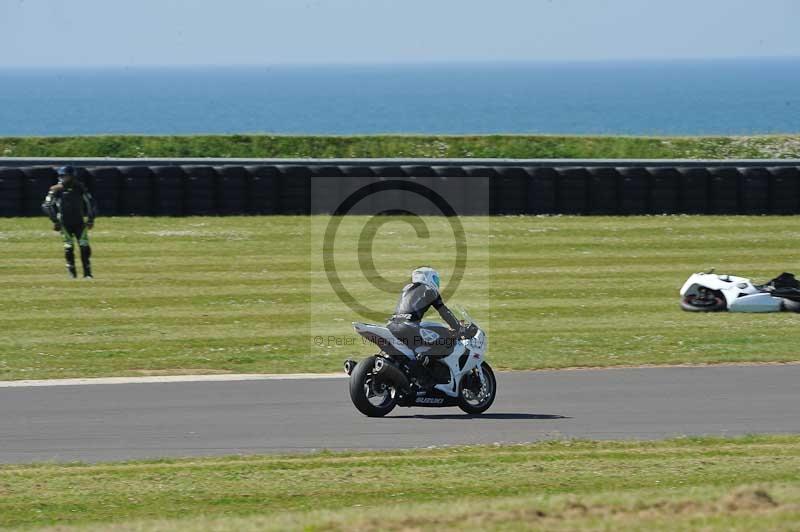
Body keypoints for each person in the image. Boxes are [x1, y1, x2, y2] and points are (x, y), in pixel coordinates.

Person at [387, 267, 462, 362]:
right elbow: (444, 312)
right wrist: (458, 327)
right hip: (409, 328)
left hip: (391, 325)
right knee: (449, 341)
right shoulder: (429, 290)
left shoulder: (406, 289)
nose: (436, 282)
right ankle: (424, 358)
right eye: (435, 279)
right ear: (427, 277)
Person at [42, 166, 98, 279]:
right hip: (64, 223)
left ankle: (87, 273)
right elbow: (46, 205)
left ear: (72, 176)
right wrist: (55, 220)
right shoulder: (55, 189)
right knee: (69, 247)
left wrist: (91, 219)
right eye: (61, 176)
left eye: (65, 176)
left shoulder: (80, 187)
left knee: (84, 246)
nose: (62, 178)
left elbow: (91, 203)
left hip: (79, 222)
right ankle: (72, 273)